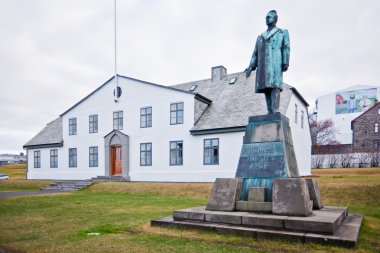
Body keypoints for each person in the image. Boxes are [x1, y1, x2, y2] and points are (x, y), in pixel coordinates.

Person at [245, 10, 290, 114]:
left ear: (275, 19)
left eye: (269, 17)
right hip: (263, 65)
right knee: (266, 87)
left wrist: (285, 62)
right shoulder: (260, 37)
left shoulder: (282, 32)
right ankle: (269, 110)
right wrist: (250, 67)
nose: (267, 18)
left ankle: (275, 109)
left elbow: (286, 47)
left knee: (275, 85)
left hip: (275, 63)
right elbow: (255, 53)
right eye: (266, 17)